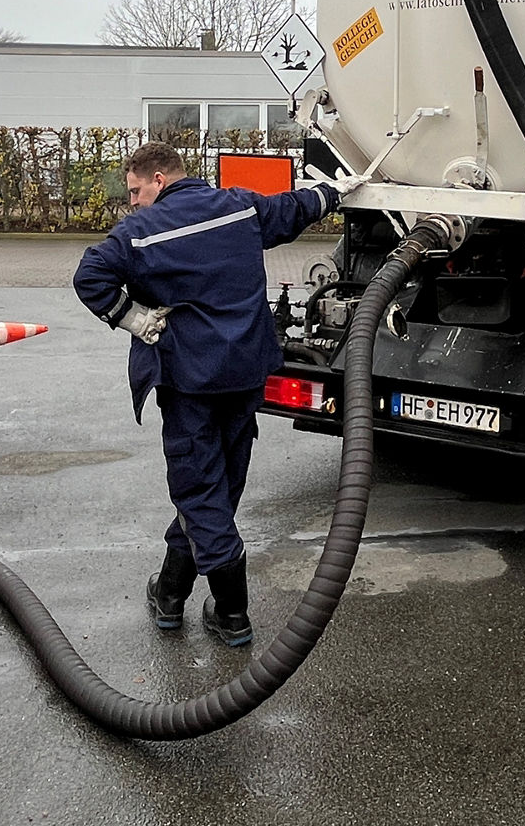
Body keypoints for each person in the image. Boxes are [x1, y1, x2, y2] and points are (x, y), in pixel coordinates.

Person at [73, 141, 363, 646]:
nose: (133, 202)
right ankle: (170, 592)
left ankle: (232, 612)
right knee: (221, 483)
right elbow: (297, 208)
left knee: (199, 491)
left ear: (159, 179)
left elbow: (89, 276)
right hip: (246, 374)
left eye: (136, 190)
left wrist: (134, 319)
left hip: (190, 382)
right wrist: (338, 191)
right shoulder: (241, 207)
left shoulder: (141, 232)